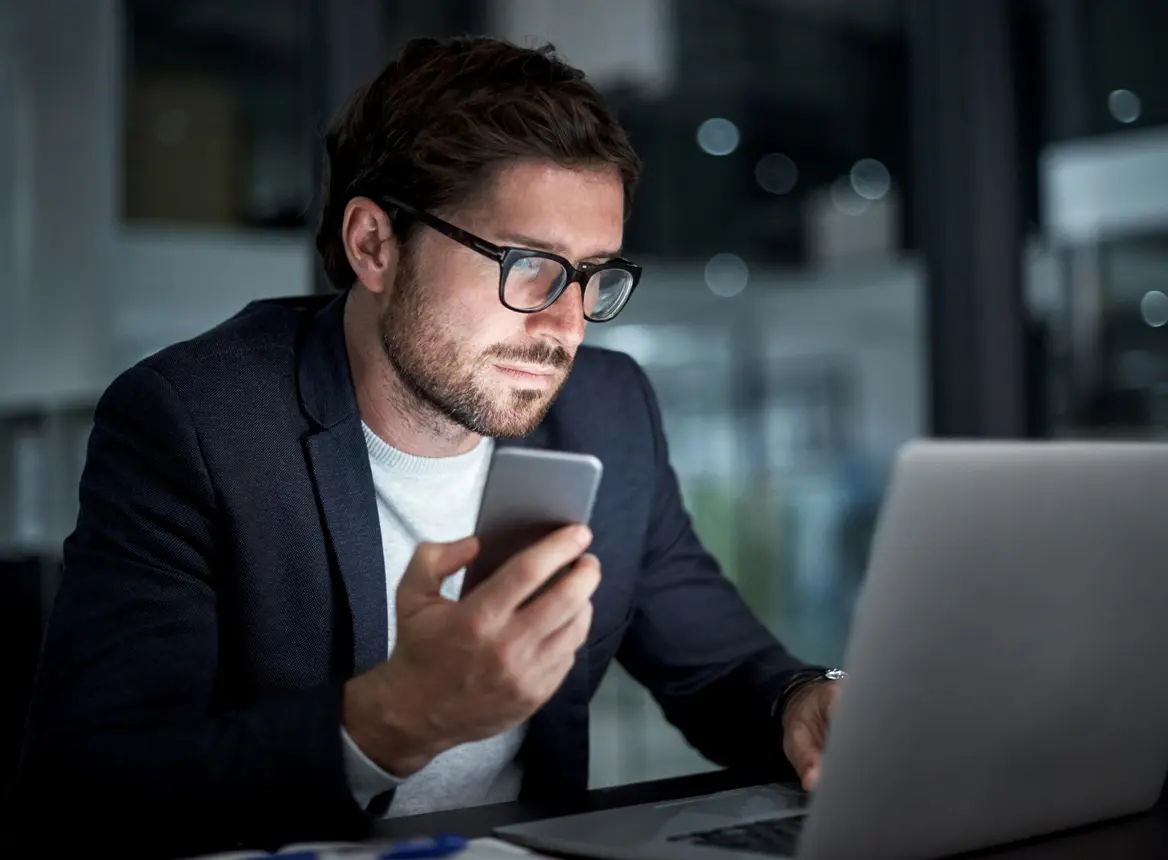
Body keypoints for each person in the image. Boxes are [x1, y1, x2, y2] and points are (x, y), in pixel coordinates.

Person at [8, 35, 842, 858]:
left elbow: (721, 668)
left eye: (593, 275)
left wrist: (805, 704)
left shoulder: (610, 409)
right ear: (374, 244)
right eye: (528, 264)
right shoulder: (196, 423)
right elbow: (91, 787)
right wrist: (394, 718)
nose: (565, 324)